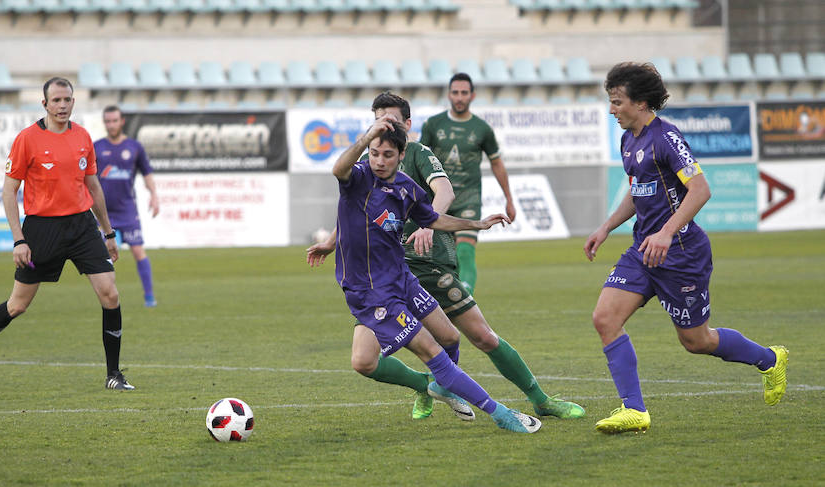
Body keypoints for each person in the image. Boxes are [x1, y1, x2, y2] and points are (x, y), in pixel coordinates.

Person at [308, 92, 584, 422]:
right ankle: (431, 387)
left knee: (470, 336)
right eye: (377, 122)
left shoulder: (416, 163)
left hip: (424, 265)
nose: (383, 134)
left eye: (391, 121)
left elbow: (443, 196)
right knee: (365, 360)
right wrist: (332, 242)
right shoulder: (363, 169)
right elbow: (353, 209)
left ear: (406, 129)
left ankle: (534, 399)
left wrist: (462, 224)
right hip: (379, 281)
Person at [583, 62, 788, 434]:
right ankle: (634, 410)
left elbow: (700, 189)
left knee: (697, 341)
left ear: (641, 103)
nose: (611, 109)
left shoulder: (666, 137)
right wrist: (607, 226)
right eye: (610, 102)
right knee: (604, 319)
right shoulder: (629, 139)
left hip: (680, 252)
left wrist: (665, 232)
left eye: (617, 102)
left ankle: (770, 359)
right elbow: (637, 189)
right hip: (644, 251)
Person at [0, 77, 135, 391]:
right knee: (18, 305)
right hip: (42, 229)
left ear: (73, 102)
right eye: (56, 100)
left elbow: (93, 186)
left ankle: (113, 375)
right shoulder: (27, 139)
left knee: (110, 293)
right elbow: (8, 192)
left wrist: (108, 233)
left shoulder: (82, 136)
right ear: (45, 104)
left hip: (82, 226)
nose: (62, 106)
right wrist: (19, 239)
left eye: (67, 100)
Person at [419, 72, 515, 295]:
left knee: (464, 250)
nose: (459, 97)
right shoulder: (433, 125)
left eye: (464, 93)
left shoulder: (482, 129)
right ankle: (445, 301)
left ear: (472, 95)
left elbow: (497, 164)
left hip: (468, 197)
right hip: (439, 198)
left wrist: (509, 199)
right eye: (455, 93)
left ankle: (465, 295)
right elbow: (419, 159)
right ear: (449, 95)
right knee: (444, 257)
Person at [95, 105, 160, 308]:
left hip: (127, 210)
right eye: (107, 121)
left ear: (122, 121)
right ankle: (107, 297)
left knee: (138, 251)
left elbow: (147, 172)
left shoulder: (134, 147)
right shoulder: (96, 147)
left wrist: (154, 195)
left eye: (114, 120)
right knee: (102, 257)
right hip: (103, 213)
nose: (111, 124)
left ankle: (149, 296)